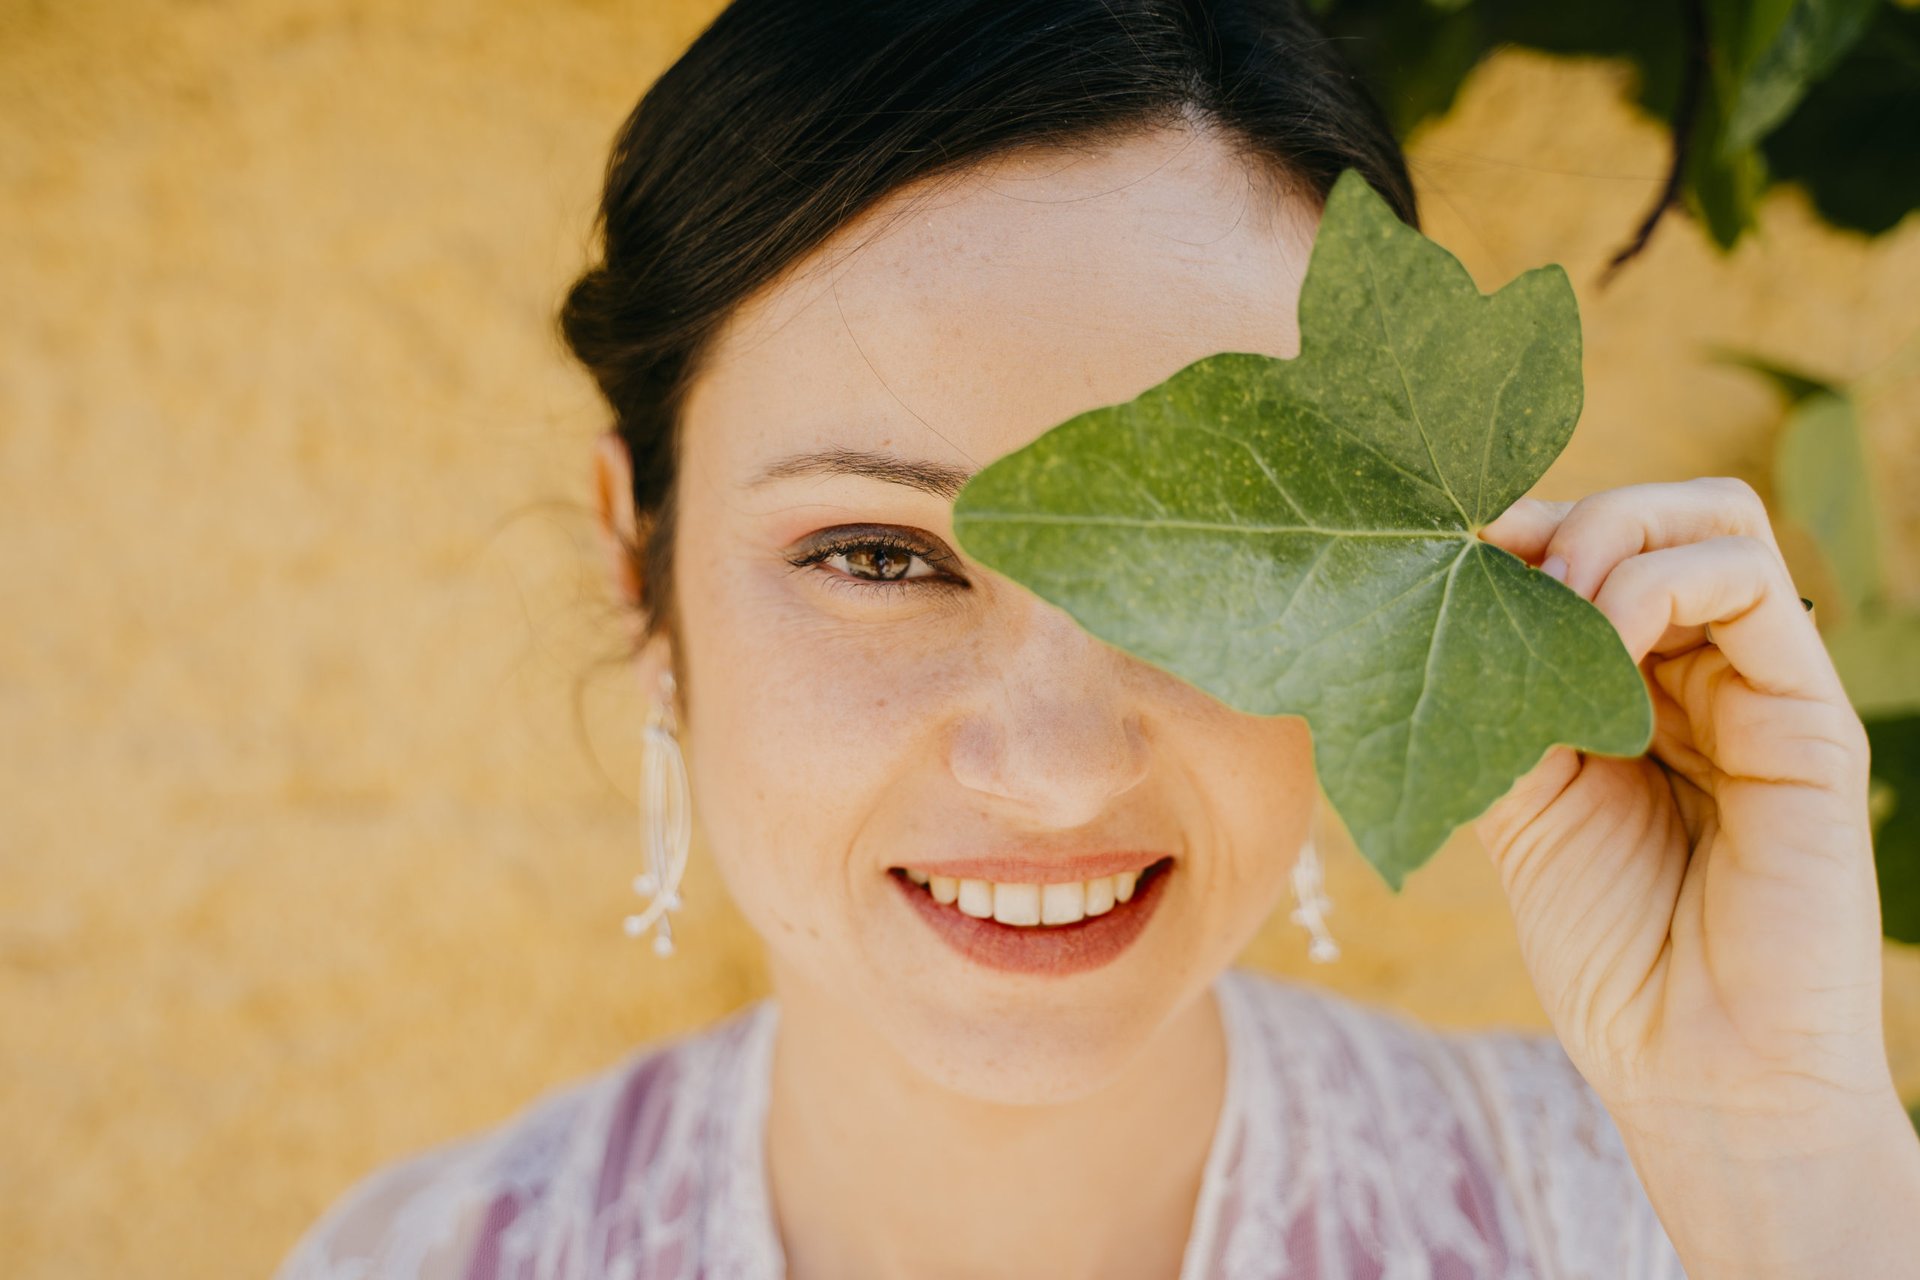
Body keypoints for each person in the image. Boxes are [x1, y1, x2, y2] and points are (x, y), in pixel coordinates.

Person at [273, 2, 1920, 1277]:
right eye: (878, 554)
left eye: (1203, 565)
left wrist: (1789, 1173)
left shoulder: (1633, 1231)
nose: (1057, 771)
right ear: (643, 565)